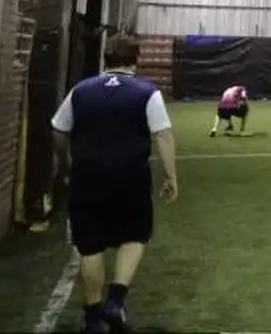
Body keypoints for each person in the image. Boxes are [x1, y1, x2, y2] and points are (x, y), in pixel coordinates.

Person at [50, 34, 178, 334]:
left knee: (89, 247)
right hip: (130, 177)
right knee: (134, 236)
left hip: (86, 177)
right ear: (136, 60)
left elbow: (58, 130)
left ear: (105, 59)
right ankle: (115, 301)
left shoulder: (80, 91)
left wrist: (66, 161)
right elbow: (162, 134)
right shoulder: (147, 92)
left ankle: (93, 318)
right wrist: (171, 176)